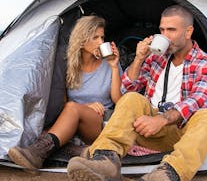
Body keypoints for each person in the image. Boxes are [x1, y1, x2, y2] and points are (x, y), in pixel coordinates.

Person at [66, 5, 207, 181]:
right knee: (132, 98)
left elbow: (197, 101)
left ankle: (167, 175)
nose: (164, 36)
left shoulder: (206, 63)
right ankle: (106, 161)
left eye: (171, 30)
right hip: (145, 129)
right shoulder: (156, 56)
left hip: (180, 132)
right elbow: (127, 88)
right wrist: (139, 59)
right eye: (162, 30)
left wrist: (162, 119)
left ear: (188, 32)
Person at [8, 15, 122, 170]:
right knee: (67, 112)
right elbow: (63, 103)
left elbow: (118, 100)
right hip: (74, 121)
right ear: (82, 40)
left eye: (102, 37)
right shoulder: (68, 66)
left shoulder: (109, 64)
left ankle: (37, 152)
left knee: (72, 108)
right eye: (95, 38)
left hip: (100, 122)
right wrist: (86, 106)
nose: (101, 42)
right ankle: (78, 151)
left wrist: (115, 67)